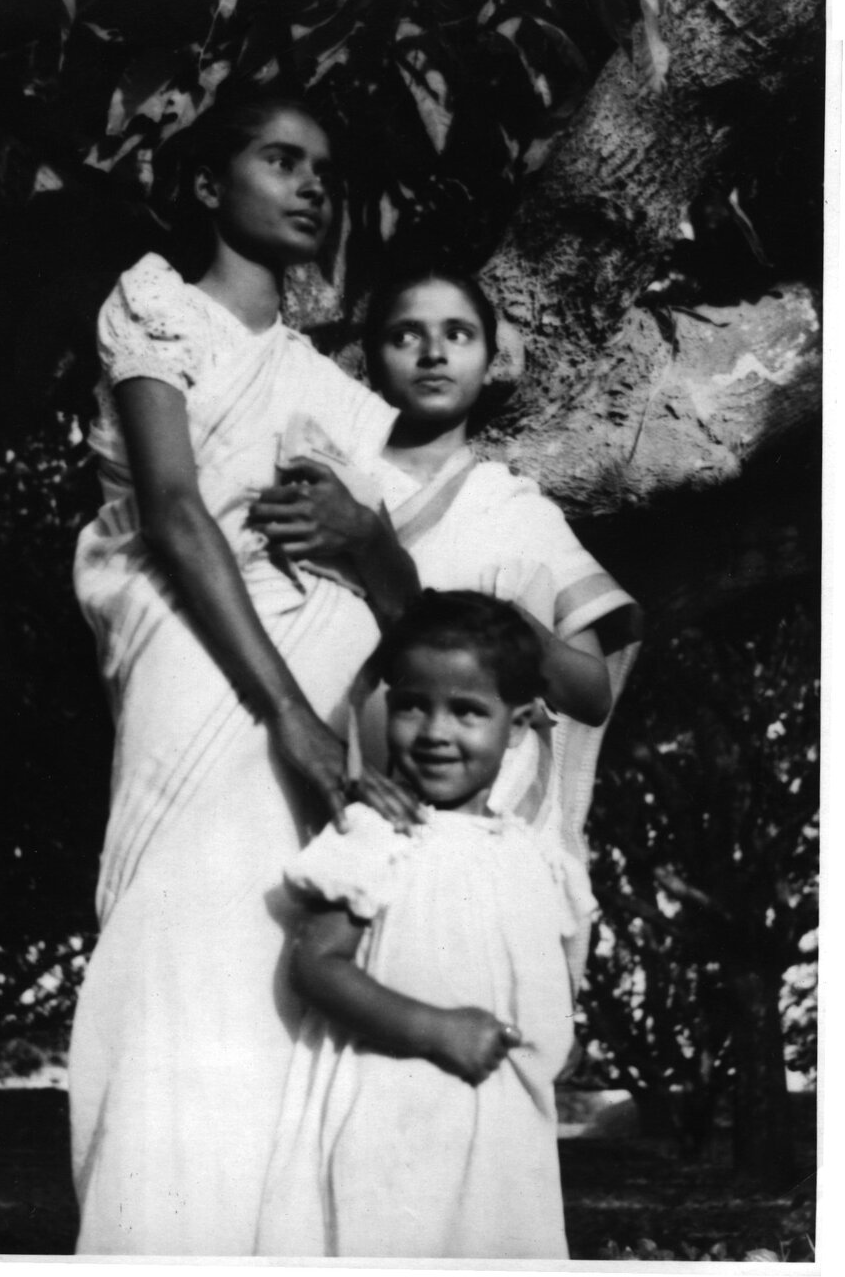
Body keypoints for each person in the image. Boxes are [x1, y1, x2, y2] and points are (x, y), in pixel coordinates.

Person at [68, 91, 419, 1256]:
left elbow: (411, 612)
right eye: (282, 159)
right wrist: (287, 718)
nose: (313, 183)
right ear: (213, 183)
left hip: (320, 695)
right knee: (181, 951)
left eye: (325, 165)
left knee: (278, 971)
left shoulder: (341, 394)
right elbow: (173, 511)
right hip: (209, 678)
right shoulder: (155, 307)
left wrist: (366, 540)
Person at [252, 264, 643, 989]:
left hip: (473, 821)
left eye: (457, 335)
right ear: (369, 357)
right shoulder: (324, 477)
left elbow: (590, 692)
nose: (433, 354)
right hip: (331, 793)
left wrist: (505, 624)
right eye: (407, 336)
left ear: (491, 359)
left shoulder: (520, 513)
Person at [255, 591, 578, 1258]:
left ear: (517, 725)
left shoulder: (530, 853)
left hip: (496, 1123)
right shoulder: (379, 830)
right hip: (390, 1103)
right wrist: (436, 1030)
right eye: (412, 706)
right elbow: (317, 964)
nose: (434, 733)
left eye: (466, 712)